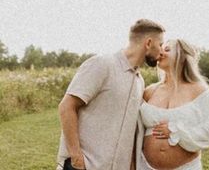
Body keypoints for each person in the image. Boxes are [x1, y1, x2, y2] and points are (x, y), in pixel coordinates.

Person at [57, 19, 165, 170]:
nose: (161, 51)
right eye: (160, 44)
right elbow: (66, 107)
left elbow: (132, 129)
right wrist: (77, 159)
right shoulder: (102, 65)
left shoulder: (139, 81)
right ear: (148, 43)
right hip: (85, 166)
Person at [138, 39, 209, 170]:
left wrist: (174, 130)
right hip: (144, 166)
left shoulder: (199, 90)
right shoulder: (149, 91)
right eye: (161, 48)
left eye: (167, 49)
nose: (161, 52)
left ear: (182, 57)